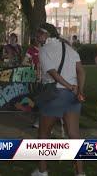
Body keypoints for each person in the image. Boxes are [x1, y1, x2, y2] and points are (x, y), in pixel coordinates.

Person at [32, 23, 86, 176]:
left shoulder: (44, 51)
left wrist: (69, 86)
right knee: (74, 135)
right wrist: (79, 90)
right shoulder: (70, 49)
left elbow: (53, 73)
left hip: (55, 94)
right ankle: (80, 173)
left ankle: (42, 171)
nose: (36, 37)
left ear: (47, 35)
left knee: (43, 134)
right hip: (73, 96)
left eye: (39, 34)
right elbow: (81, 71)